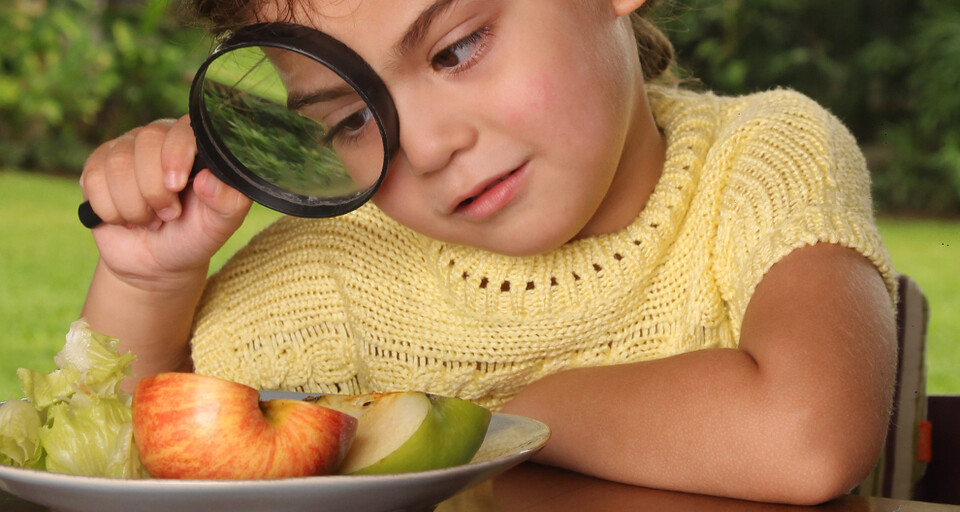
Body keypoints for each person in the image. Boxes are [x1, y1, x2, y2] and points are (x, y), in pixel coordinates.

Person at [78, 0, 899, 505]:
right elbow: (126, 451)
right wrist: (147, 283)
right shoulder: (332, 275)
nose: (428, 146)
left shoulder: (763, 159)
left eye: (456, 49)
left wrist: (505, 421)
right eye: (353, 119)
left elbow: (808, 434)